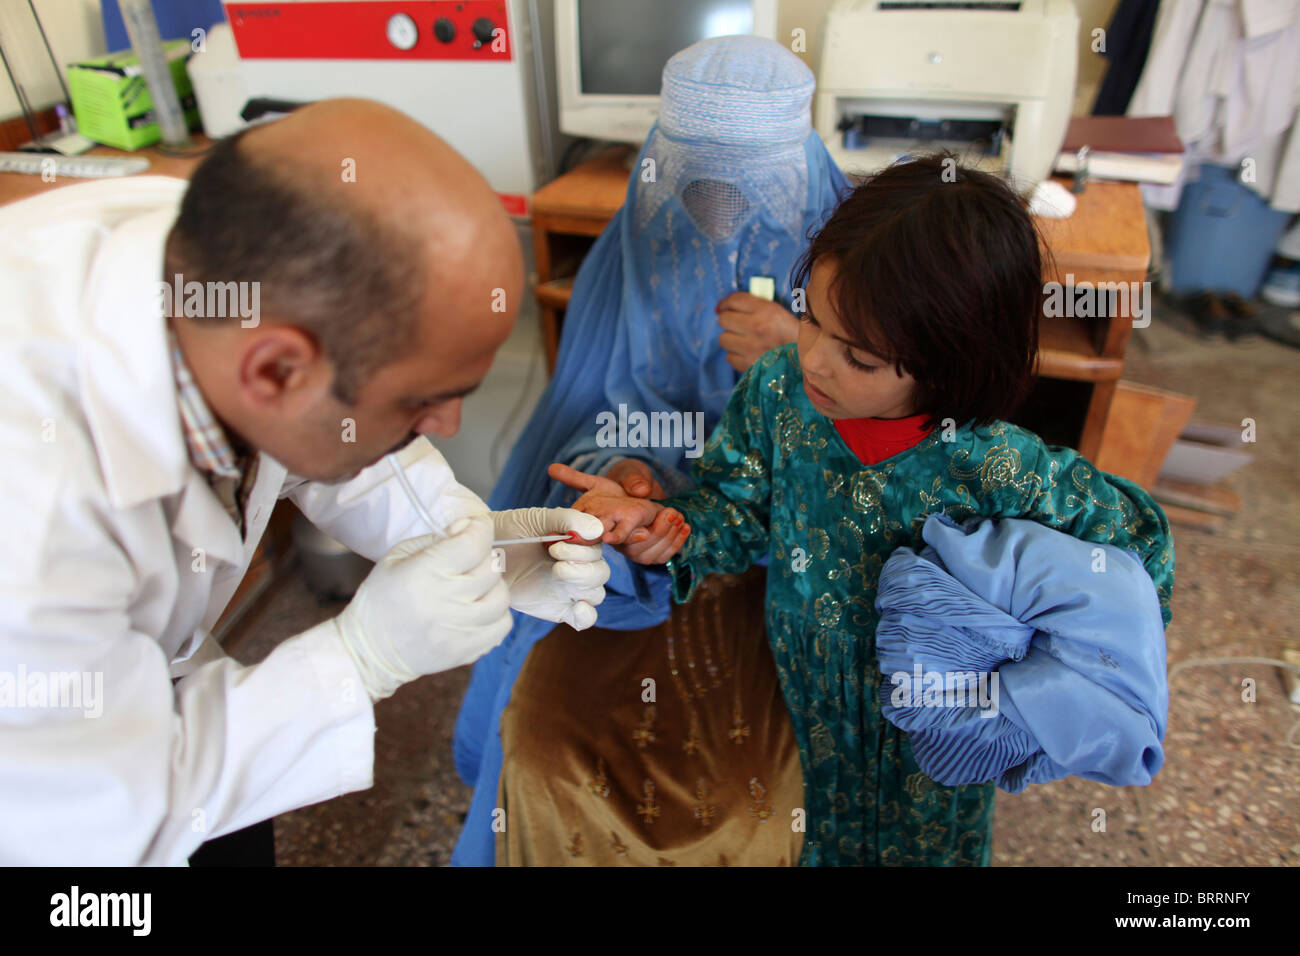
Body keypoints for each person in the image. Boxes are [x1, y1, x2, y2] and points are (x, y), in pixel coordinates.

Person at [0, 98, 608, 865]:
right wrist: (364, 656)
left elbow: (334, 437)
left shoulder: (231, 269)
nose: (449, 425)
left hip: (168, 688)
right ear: (277, 369)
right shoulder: (33, 515)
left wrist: (462, 538)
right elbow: (101, 821)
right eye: (422, 400)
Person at [552, 154, 1176, 866]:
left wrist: (1045, 673)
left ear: (954, 363)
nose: (814, 359)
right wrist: (668, 529)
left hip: (935, 733)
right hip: (807, 710)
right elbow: (733, 506)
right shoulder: (778, 397)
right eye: (810, 320)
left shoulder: (996, 465)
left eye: (861, 358)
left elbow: (1137, 547)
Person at [451, 36, 849, 866]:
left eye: (754, 189)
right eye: (699, 184)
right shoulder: (644, 236)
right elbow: (606, 405)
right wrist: (625, 474)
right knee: (539, 734)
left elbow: (897, 448)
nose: (723, 217)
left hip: (798, 547)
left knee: (773, 792)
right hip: (640, 544)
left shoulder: (861, 275)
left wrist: (806, 350)